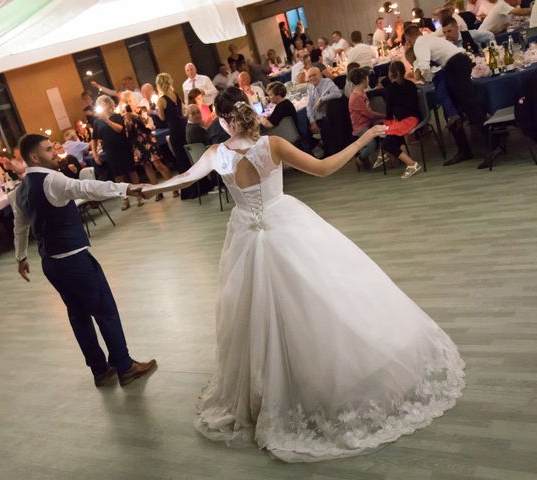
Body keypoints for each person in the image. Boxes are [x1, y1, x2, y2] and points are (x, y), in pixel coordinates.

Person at [137, 87, 465, 462]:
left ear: (222, 119)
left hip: (246, 237)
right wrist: (363, 139)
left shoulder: (216, 154)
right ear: (247, 112)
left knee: (255, 315)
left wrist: (143, 188)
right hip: (284, 225)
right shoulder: (272, 145)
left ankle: (274, 393)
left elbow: (181, 180)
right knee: (319, 301)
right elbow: (324, 168)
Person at [12, 133, 156, 387]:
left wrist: (21, 256)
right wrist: (125, 188)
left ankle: (99, 370)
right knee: (105, 310)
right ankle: (124, 365)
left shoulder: (20, 190)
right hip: (74, 259)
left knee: (78, 315)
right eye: (48, 150)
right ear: (34, 157)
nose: (54, 153)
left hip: (51, 263)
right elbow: (86, 188)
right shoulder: (52, 179)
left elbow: (20, 225)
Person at [405, 24, 489, 168]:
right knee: (450, 111)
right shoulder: (429, 40)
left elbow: (424, 65)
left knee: (470, 107)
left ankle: (492, 146)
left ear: (409, 38)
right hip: (455, 65)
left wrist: (427, 77)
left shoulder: (419, 43)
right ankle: (464, 150)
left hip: (456, 65)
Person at [91, 95, 142, 209]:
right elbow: (93, 140)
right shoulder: (97, 122)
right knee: (118, 176)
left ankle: (139, 195)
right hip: (110, 151)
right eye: (99, 105)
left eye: (103, 104)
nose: (101, 107)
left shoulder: (117, 116)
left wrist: (107, 120)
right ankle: (124, 199)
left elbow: (119, 129)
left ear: (109, 105)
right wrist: (95, 155)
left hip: (123, 148)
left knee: (131, 172)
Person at [121, 91, 173, 201]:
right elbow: (127, 133)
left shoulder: (141, 109)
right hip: (137, 144)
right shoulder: (124, 116)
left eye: (130, 100)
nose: (129, 103)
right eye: (126, 101)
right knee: (147, 168)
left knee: (158, 165)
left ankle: (174, 186)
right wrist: (128, 120)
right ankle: (157, 191)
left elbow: (146, 123)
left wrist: (134, 116)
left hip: (147, 141)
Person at [382, 61, 423, 178]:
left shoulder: (390, 89)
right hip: (414, 118)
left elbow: (389, 109)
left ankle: (412, 164)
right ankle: (405, 160)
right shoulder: (411, 84)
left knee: (387, 142)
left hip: (405, 120)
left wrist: (387, 121)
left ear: (390, 73)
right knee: (394, 138)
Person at [156, 73, 194, 200]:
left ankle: (189, 190)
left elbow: (161, 117)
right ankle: (199, 184)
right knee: (189, 157)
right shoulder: (176, 95)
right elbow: (183, 111)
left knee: (181, 159)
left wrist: (155, 111)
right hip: (183, 125)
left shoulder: (161, 100)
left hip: (174, 130)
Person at [348, 68, 384, 169]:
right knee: (372, 144)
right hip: (360, 126)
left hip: (368, 122)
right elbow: (368, 113)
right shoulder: (355, 97)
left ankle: (386, 154)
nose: (368, 80)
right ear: (364, 80)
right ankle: (360, 157)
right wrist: (382, 115)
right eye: (367, 78)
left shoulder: (361, 92)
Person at [306, 67, 342, 136]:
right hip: (316, 117)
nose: (312, 78)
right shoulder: (310, 88)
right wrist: (312, 122)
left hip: (327, 116)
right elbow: (309, 106)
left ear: (320, 75)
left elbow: (338, 94)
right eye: (309, 76)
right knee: (307, 127)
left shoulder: (327, 82)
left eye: (314, 75)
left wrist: (321, 99)